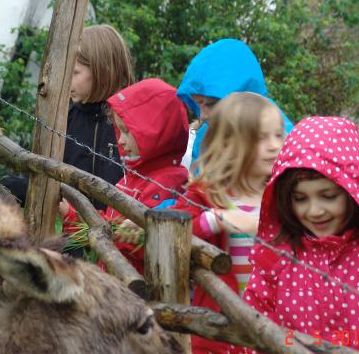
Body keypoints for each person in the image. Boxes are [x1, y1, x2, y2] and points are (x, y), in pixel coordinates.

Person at [244, 116, 359, 353]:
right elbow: (256, 329)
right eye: (300, 198)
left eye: (328, 196)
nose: (315, 211)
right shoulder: (276, 257)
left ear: (354, 191)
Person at [172, 92, 285, 354]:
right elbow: (175, 231)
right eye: (261, 137)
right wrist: (217, 219)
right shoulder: (209, 194)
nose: (274, 145)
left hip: (275, 324)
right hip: (221, 329)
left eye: (278, 135)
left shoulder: (285, 195)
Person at [61, 78, 190, 273]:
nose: (120, 140)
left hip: (135, 286)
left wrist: (75, 219)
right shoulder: (132, 176)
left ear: (154, 133)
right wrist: (71, 215)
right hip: (116, 279)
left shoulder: (165, 184)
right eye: (119, 130)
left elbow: (140, 242)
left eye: (127, 131)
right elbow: (113, 227)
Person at [3, 24, 133, 209]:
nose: (66, 81)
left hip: (119, 225)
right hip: (72, 226)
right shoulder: (64, 119)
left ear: (102, 71)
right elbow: (43, 183)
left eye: (74, 73)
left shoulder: (129, 123)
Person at [176, 38, 293, 170]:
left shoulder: (279, 133)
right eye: (198, 104)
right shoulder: (206, 136)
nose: (202, 115)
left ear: (241, 95)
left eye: (211, 104)